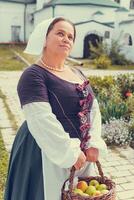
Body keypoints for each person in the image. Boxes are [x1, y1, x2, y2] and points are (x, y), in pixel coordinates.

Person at [4, 17, 107, 200]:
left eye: (70, 36)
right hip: (44, 150)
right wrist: (70, 153)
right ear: (45, 38)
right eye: (60, 33)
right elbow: (41, 118)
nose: (66, 39)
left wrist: (93, 143)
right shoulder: (33, 75)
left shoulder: (77, 72)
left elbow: (94, 108)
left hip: (80, 154)